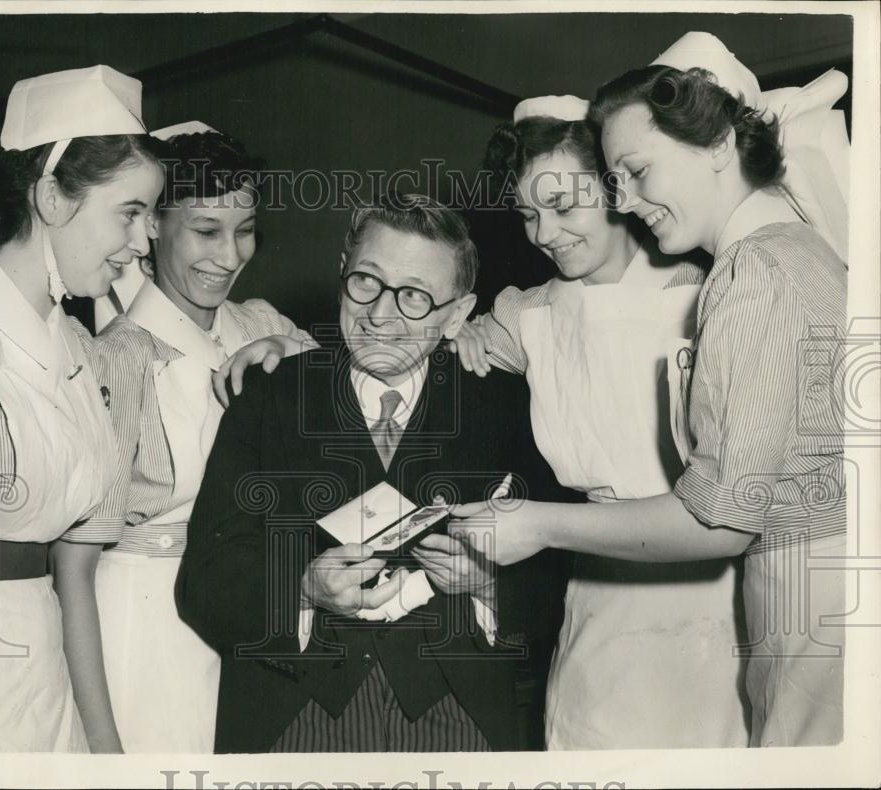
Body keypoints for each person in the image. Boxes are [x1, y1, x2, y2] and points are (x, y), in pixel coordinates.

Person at [448, 32, 848, 748]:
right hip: (696, 606)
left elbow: (721, 517)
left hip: (780, 603)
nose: (625, 198)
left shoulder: (748, 274)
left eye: (634, 170)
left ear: (719, 144)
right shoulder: (795, 253)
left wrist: (536, 524)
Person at [176, 194, 574, 753]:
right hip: (292, 713)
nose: (380, 315)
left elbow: (557, 578)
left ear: (457, 314)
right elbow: (204, 580)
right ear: (342, 272)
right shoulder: (269, 396)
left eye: (413, 296)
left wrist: (487, 583)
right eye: (366, 281)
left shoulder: (506, 404)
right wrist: (303, 590)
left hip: (461, 715)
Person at [447, 93, 748, 749]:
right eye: (528, 214)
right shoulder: (530, 314)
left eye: (562, 206)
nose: (544, 234)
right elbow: (417, 348)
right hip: (598, 601)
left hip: (712, 599)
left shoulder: (706, 293)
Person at [0, 65, 164, 753]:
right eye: (130, 213)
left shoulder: (79, 348)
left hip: (41, 686)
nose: (143, 244)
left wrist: (103, 746)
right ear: (51, 196)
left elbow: (69, 559)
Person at [50, 123, 311, 753]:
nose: (229, 255)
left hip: (256, 618)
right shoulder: (111, 361)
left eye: (244, 230)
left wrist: (292, 351)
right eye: (205, 231)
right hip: (149, 631)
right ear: (153, 227)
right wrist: (103, 742)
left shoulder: (264, 322)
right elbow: (71, 566)